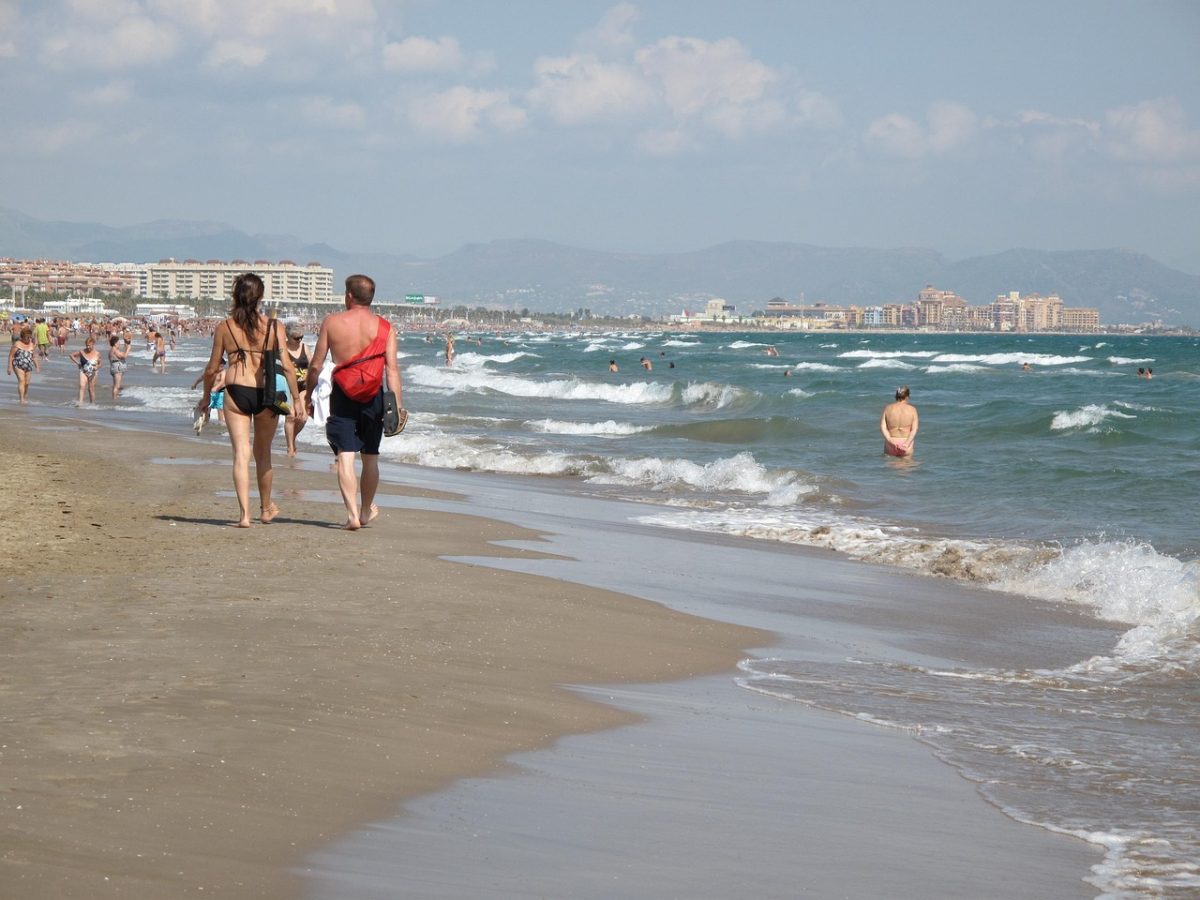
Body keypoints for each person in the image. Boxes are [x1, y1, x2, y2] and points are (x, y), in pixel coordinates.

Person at [197, 273, 305, 528]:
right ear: (260, 297)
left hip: (236, 392)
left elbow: (212, 369)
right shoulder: (273, 327)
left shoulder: (225, 327)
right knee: (263, 453)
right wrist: (297, 399)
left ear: (235, 295)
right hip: (266, 394)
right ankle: (266, 509)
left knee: (241, 453)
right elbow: (288, 366)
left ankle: (244, 516)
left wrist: (205, 398)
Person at [305, 274, 402, 531]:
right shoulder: (385, 327)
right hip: (374, 398)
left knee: (345, 457)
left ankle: (351, 515)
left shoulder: (332, 322)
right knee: (371, 459)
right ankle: (365, 511)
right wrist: (397, 408)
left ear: (349, 296)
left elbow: (315, 364)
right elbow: (392, 371)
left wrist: (307, 393)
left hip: (343, 396)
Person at [284, 322, 311, 457]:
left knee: (303, 418)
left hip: (303, 386)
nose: (299, 340)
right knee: (290, 416)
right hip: (288, 387)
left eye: (301, 337)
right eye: (296, 338)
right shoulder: (282, 349)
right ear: (287, 336)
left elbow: (312, 365)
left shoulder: (304, 348)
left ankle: (292, 438)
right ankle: (290, 448)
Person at [881, 385, 919, 458]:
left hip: (891, 442)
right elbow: (914, 429)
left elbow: (883, 427)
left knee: (889, 468)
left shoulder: (888, 408)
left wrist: (890, 440)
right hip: (906, 441)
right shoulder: (912, 410)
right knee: (906, 468)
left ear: (896, 396)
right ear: (907, 396)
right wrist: (906, 444)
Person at [7, 325, 39, 403]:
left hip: (29, 366)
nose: (28, 339)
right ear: (22, 336)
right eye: (27, 337)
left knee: (27, 383)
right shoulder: (17, 344)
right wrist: (9, 367)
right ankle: (21, 399)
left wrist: (37, 366)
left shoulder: (31, 345)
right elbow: (11, 356)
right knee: (22, 380)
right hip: (18, 365)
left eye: (30, 337)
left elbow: (34, 356)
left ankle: (24, 397)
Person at [70, 336, 102, 406]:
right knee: (82, 386)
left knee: (90, 388)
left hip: (93, 372)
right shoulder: (82, 352)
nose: (88, 347)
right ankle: (80, 403)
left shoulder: (97, 353)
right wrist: (78, 363)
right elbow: (71, 355)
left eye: (89, 345)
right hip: (83, 371)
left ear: (93, 344)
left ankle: (92, 404)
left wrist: (97, 367)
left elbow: (101, 364)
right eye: (87, 345)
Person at [108, 335, 131, 399]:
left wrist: (127, 344)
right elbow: (124, 356)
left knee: (117, 385)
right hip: (117, 368)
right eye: (118, 343)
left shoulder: (114, 349)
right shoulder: (114, 349)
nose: (119, 344)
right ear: (115, 343)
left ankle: (116, 397)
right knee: (117, 386)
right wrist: (128, 349)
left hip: (115, 367)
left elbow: (122, 354)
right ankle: (114, 399)